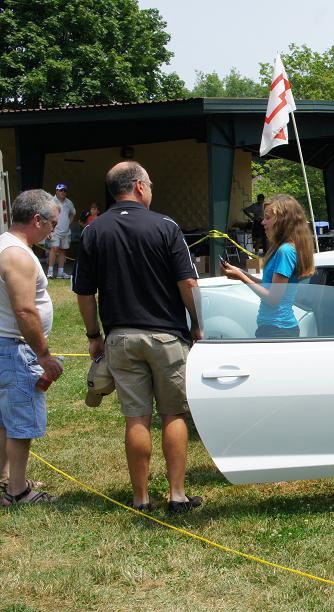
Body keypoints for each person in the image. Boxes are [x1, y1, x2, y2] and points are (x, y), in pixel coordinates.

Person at [73, 161, 203, 514]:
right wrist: (198, 324)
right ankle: (177, 495)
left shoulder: (94, 231)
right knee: (174, 415)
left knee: (136, 419)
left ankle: (141, 498)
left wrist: (93, 336)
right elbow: (188, 283)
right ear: (140, 187)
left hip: (121, 338)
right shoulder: (166, 226)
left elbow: (85, 293)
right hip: (167, 337)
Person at [0, 190, 62, 506]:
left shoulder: (5, 246)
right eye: (52, 223)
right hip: (15, 348)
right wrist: (44, 356)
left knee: (4, 420)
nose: (53, 230)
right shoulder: (17, 255)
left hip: (6, 346)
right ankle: (18, 492)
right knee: (21, 423)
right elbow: (25, 310)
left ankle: (8, 480)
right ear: (36, 219)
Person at [221, 195, 315, 338]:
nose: (263, 222)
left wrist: (241, 278)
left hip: (278, 329)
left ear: (283, 221)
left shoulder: (285, 251)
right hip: (275, 328)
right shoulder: (282, 249)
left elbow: (273, 299)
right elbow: (269, 285)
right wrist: (242, 273)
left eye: (268, 218)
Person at [47, 183, 75, 279]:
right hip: (54, 230)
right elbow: (47, 216)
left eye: (64, 191)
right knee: (54, 249)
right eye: (61, 190)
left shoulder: (69, 202)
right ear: (56, 191)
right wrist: (49, 230)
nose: (63, 192)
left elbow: (72, 213)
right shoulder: (51, 202)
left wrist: (68, 223)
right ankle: (50, 272)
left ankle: (60, 273)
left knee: (63, 250)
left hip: (65, 231)